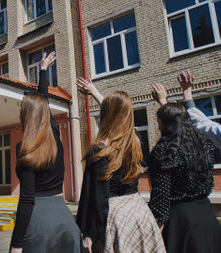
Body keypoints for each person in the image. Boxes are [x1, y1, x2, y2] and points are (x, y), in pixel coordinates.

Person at [75, 79, 165, 253]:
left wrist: (88, 233)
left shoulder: (99, 150)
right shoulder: (135, 142)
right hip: (138, 212)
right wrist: (94, 92)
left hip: (114, 217)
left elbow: (94, 196)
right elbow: (119, 115)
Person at [9, 52, 82, 253]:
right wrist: (43, 71)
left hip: (38, 223)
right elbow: (44, 103)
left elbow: (26, 199)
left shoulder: (24, 149)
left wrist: (16, 244)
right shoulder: (56, 140)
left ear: (25, 116)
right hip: (64, 220)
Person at [149, 73, 221, 253]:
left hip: (181, 224)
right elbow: (191, 124)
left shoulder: (164, 151)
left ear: (162, 123)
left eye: (159, 122)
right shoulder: (203, 144)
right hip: (206, 217)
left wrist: (154, 234)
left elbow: (161, 200)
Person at [152, 70, 221, 148]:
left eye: (159, 121)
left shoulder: (164, 150)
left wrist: (163, 102)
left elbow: (194, 126)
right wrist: (187, 90)